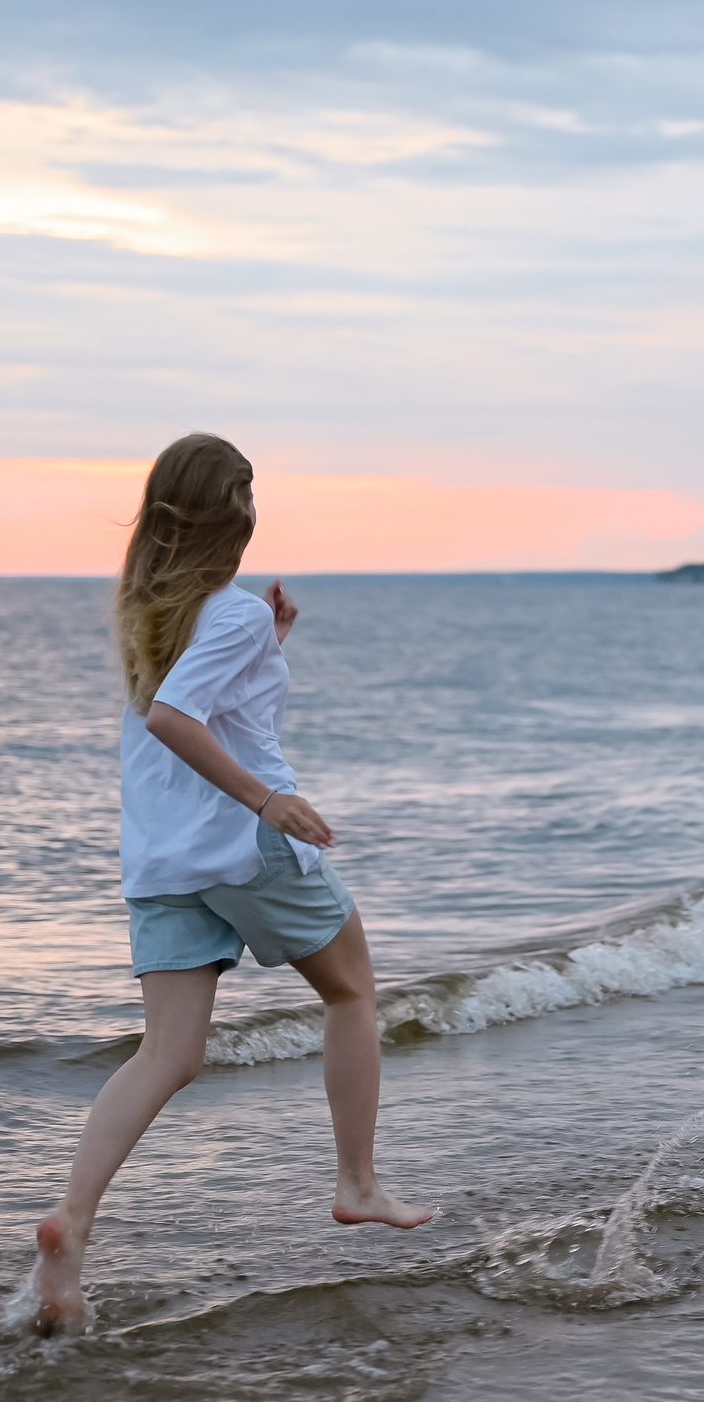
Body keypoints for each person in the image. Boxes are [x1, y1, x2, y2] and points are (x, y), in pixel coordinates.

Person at [29, 434, 430, 1335]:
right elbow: (180, 716)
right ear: (235, 518)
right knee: (353, 990)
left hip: (161, 860)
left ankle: (73, 1223)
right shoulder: (232, 613)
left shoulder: (150, 609)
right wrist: (269, 799)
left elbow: (199, 700)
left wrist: (270, 646)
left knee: (167, 1055)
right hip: (244, 845)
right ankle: (357, 1184)